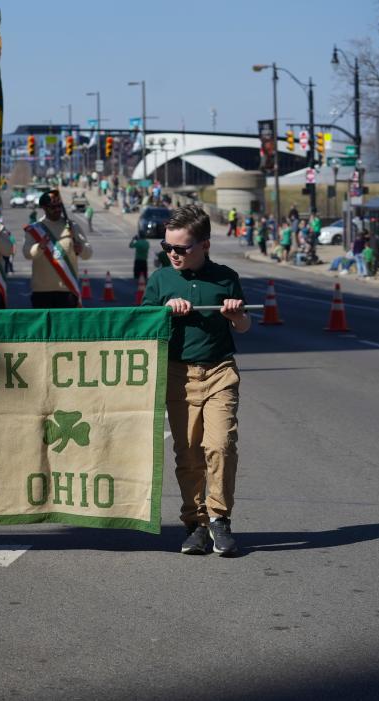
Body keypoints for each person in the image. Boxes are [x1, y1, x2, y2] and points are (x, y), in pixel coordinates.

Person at [141, 204, 249, 556]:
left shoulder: (226, 277)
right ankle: (195, 524)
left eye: (181, 249)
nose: (173, 254)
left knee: (220, 446)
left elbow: (245, 326)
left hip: (219, 371)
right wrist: (165, 312)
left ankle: (220, 519)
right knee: (187, 454)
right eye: (167, 247)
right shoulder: (159, 280)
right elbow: (143, 327)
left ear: (204, 245)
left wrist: (235, 315)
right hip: (177, 374)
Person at [23, 189, 92, 308]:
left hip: (67, 290)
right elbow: (27, 254)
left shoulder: (72, 226)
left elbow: (88, 253)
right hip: (42, 292)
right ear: (44, 208)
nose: (57, 210)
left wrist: (81, 249)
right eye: (52, 207)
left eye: (59, 206)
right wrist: (40, 247)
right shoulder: (35, 229)